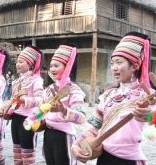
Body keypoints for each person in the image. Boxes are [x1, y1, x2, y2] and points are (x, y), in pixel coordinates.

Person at [71, 31, 156, 165]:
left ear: (134, 66)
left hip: (130, 161)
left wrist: (151, 116)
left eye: (119, 62)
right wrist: (76, 145)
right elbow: (93, 126)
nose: (114, 68)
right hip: (104, 158)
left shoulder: (148, 95)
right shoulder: (108, 95)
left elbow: (154, 126)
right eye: (112, 63)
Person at [25, 43, 86, 165]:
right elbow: (41, 109)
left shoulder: (74, 89)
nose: (52, 69)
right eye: (51, 66)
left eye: (56, 66)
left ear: (67, 67)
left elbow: (81, 118)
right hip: (48, 134)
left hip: (63, 137)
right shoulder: (49, 89)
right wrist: (30, 119)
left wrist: (63, 110)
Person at [0, 45, 44, 165]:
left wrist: (25, 101)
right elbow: (13, 101)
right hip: (16, 118)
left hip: (28, 119)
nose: (17, 64)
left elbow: (41, 98)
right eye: (17, 61)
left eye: (21, 62)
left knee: (27, 152)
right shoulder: (17, 81)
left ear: (30, 64)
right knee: (17, 150)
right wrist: (3, 108)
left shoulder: (36, 79)